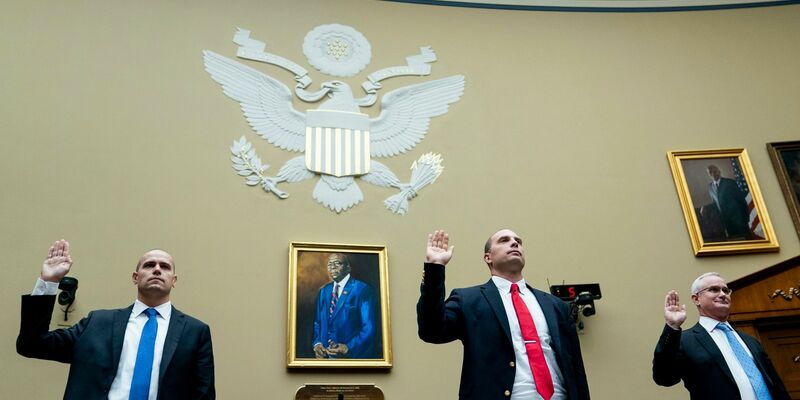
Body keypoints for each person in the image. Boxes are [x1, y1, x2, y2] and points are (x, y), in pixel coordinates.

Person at [17, 239, 215, 400]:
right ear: (135, 277)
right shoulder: (97, 323)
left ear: (174, 281)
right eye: (149, 265)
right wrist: (49, 282)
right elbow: (32, 344)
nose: (157, 269)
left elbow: (204, 394)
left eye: (164, 266)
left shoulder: (195, 332)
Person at [417, 229, 590, 400]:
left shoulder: (555, 305)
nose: (514, 243)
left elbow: (576, 367)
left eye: (518, 241)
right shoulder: (469, 300)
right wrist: (435, 268)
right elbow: (431, 330)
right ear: (488, 257)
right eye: (504, 240)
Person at [652, 272, 789, 399]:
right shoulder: (685, 341)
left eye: (726, 290)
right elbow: (664, 378)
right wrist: (672, 327)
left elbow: (776, 385)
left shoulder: (750, 341)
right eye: (714, 290)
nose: (723, 294)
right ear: (696, 299)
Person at [312, 253, 379, 359]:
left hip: (351, 358)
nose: (332, 267)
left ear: (348, 268)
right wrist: (317, 343)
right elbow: (318, 322)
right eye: (330, 264)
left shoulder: (362, 289)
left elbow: (368, 328)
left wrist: (349, 347)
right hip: (325, 359)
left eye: (337, 263)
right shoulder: (324, 291)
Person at [701, 164, 751, 240]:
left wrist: (746, 218)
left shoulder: (730, 183)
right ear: (709, 175)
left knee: (748, 241)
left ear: (719, 171)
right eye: (710, 172)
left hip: (738, 220)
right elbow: (715, 203)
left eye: (715, 171)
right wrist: (705, 207)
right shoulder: (710, 187)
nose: (713, 173)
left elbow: (741, 200)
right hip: (726, 222)